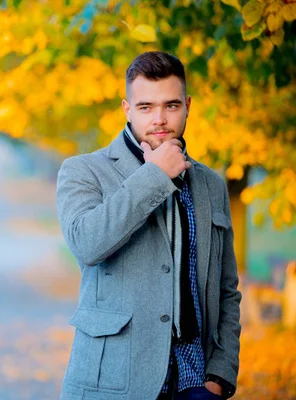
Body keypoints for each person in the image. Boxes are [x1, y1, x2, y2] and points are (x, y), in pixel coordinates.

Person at [56, 51, 241, 400]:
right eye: (146, 107)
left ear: (187, 105)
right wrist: (155, 175)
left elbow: (227, 288)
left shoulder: (211, 185)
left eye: (171, 106)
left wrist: (221, 373)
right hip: (112, 383)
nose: (159, 118)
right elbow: (87, 244)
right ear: (127, 109)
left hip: (196, 380)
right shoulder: (84, 171)